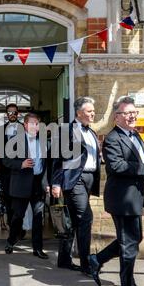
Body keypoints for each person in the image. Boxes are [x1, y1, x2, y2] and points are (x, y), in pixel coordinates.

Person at [88, 96, 144, 286]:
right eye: (127, 113)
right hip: (122, 199)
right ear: (116, 117)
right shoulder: (112, 139)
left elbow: (141, 157)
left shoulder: (135, 135)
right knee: (130, 243)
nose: (132, 116)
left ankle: (96, 259)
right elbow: (116, 166)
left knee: (131, 239)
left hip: (133, 197)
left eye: (134, 113)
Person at [52, 97, 100, 275]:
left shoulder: (92, 132)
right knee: (85, 218)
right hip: (75, 179)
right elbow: (57, 159)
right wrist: (56, 182)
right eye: (89, 111)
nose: (93, 113)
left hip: (89, 179)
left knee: (71, 221)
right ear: (79, 113)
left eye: (93, 110)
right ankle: (87, 264)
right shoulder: (67, 130)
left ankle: (64, 259)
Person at [3, 113, 50, 259]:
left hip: (38, 184)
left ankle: (37, 248)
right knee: (18, 216)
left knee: (38, 217)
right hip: (21, 183)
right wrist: (20, 164)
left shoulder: (44, 141)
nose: (36, 127)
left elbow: (48, 165)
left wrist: (47, 183)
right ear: (25, 125)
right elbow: (5, 161)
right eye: (33, 123)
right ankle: (11, 240)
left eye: (38, 124)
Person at [0, 103, 23, 226]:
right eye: (9, 113)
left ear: (18, 114)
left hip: (21, 170)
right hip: (5, 171)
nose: (12, 115)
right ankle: (11, 225)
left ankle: (19, 226)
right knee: (8, 199)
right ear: (6, 115)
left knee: (19, 200)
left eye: (14, 112)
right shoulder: (0, 130)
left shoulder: (24, 128)